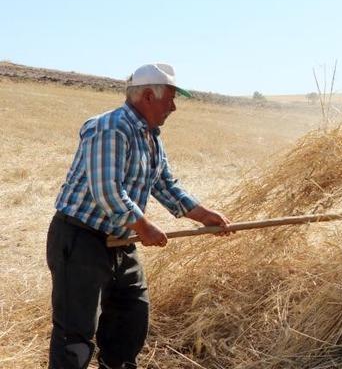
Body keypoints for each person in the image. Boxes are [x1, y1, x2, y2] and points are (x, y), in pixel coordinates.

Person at [47, 63, 232, 369]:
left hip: (120, 241)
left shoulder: (150, 137)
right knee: (75, 335)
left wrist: (203, 215)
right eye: (170, 99)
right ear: (148, 96)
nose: (173, 107)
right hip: (81, 240)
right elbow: (107, 190)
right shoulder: (111, 127)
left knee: (131, 318)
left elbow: (164, 184)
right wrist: (144, 227)